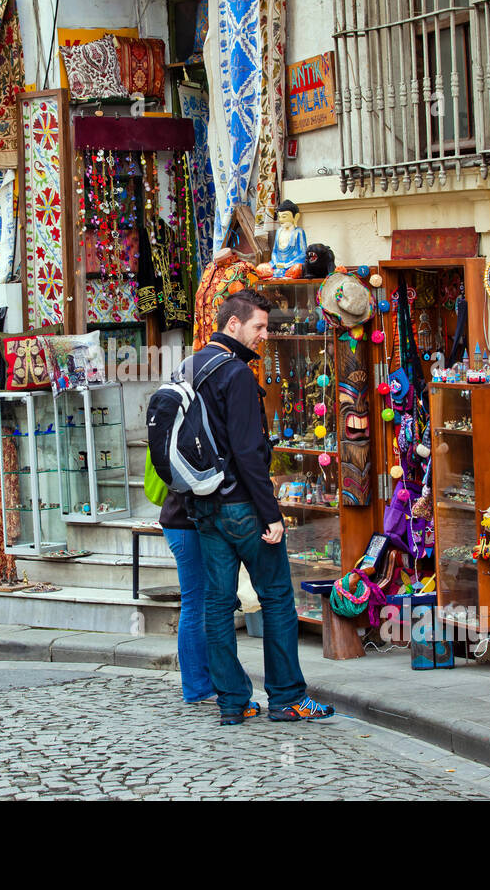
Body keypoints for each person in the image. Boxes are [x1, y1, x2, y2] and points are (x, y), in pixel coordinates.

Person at [184, 288, 336, 726]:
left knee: (217, 604)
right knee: (277, 598)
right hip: (243, 507)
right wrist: (271, 513)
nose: (264, 336)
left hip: (205, 505)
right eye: (259, 327)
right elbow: (249, 452)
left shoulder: (188, 368)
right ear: (233, 325)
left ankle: (233, 701)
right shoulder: (235, 375)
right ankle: (288, 697)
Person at [159, 490, 214, 704]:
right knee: (195, 606)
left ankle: (201, 683)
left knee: (198, 605)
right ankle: (197, 687)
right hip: (185, 522)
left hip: (182, 521)